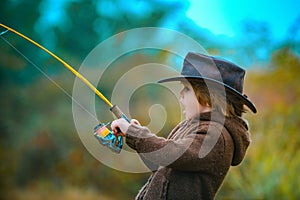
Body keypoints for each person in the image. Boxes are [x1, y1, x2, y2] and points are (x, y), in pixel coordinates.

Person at [111, 52, 257, 200]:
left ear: (208, 98)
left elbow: (173, 154)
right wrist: (135, 133)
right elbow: (163, 165)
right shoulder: (192, 126)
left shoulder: (216, 136)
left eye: (187, 89)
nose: (180, 94)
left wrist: (136, 135)